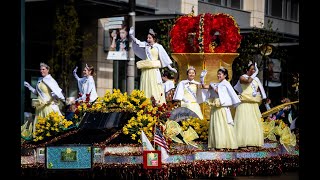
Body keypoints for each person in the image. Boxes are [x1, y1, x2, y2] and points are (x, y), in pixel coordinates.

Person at [129, 27, 177, 105]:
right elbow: (137, 42)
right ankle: (145, 103)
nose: (148, 39)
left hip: (154, 70)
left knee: (155, 86)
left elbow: (164, 57)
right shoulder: (146, 45)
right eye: (147, 38)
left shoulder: (159, 47)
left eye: (150, 38)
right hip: (146, 70)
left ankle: (158, 103)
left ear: (154, 38)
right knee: (146, 85)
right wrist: (131, 35)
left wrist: (170, 67)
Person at [201, 67, 240, 150]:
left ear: (225, 75)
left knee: (222, 126)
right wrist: (202, 78)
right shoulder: (217, 84)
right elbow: (204, 86)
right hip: (215, 108)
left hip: (222, 108)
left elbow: (219, 92)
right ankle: (215, 144)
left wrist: (213, 87)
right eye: (218, 74)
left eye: (220, 74)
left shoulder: (226, 84)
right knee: (216, 126)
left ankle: (223, 144)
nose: (218, 75)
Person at [23, 62, 65, 137]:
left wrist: (55, 98)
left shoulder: (50, 80)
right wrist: (29, 87)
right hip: (40, 107)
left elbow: (57, 92)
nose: (41, 71)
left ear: (48, 70)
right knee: (40, 128)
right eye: (40, 69)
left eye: (43, 69)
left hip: (47, 107)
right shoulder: (40, 79)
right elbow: (37, 93)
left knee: (49, 126)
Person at [233, 61, 267, 148]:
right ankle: (242, 142)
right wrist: (255, 73)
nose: (253, 71)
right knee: (244, 122)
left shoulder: (256, 79)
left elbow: (259, 90)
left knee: (253, 123)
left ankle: (253, 142)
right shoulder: (242, 77)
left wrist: (257, 93)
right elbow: (248, 81)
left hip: (253, 103)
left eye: (254, 70)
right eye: (252, 69)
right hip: (244, 103)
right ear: (247, 70)